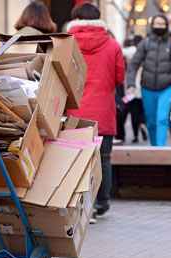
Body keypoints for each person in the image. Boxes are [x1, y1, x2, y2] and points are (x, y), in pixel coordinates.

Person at [65, 3, 125, 224]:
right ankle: (102, 203)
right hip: (103, 110)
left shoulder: (66, 43)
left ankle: (82, 206)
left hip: (75, 110)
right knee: (104, 158)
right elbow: (119, 78)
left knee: (77, 158)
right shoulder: (112, 45)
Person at [126, 15, 171, 146]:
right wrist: (130, 84)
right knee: (151, 120)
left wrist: (170, 79)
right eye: (157, 24)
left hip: (167, 88)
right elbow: (134, 64)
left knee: (162, 119)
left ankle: (160, 149)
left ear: (166, 26)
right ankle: (154, 147)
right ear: (152, 25)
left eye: (162, 24)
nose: (159, 27)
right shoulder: (145, 44)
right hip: (147, 88)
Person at [121, 35, 147, 143]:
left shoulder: (132, 51)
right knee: (142, 111)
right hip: (145, 86)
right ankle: (142, 124)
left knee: (133, 112)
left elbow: (122, 51)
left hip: (132, 87)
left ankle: (136, 134)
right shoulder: (146, 53)